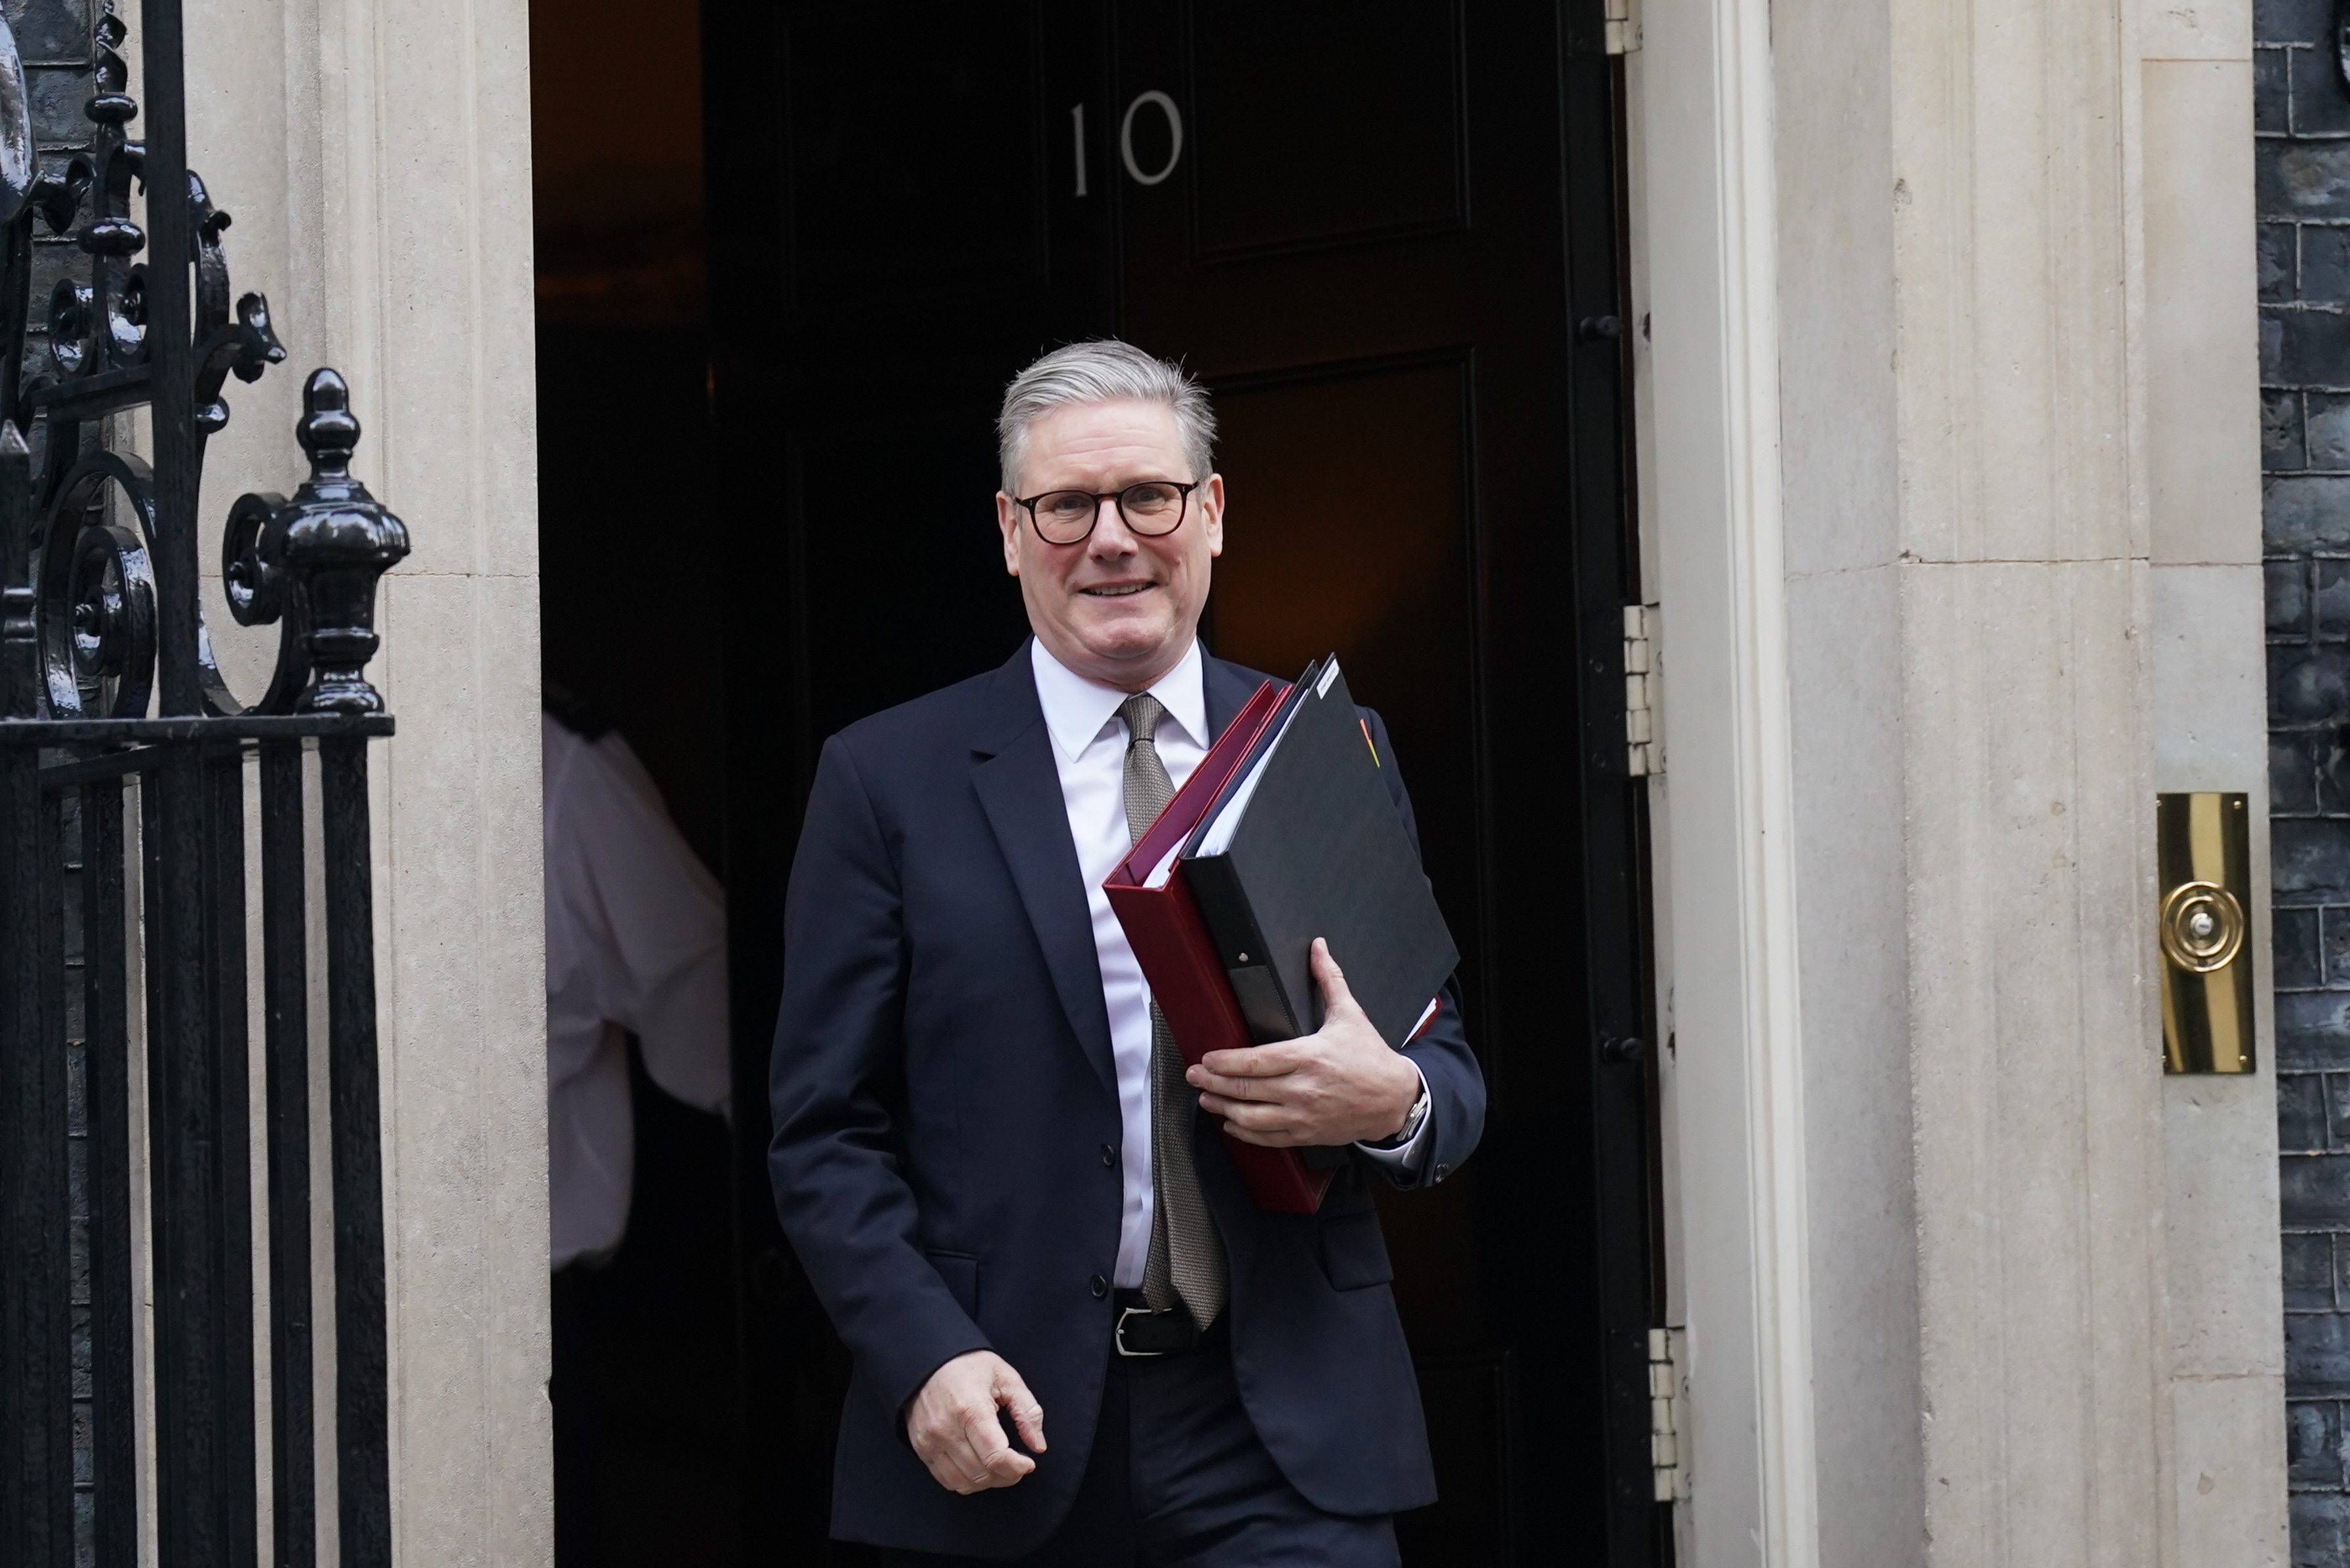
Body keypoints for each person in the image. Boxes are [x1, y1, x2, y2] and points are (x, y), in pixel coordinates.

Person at [767, 340, 1484, 1565]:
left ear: (1209, 512)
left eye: (1149, 496)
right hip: (1003, 1430)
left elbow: (1448, 1075)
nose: (1112, 539)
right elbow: (822, 1127)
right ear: (1008, 529)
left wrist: (1393, 1102)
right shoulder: (888, 781)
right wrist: (921, 1352)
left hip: (1283, 1439)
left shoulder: (1325, 747)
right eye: (1066, 506)